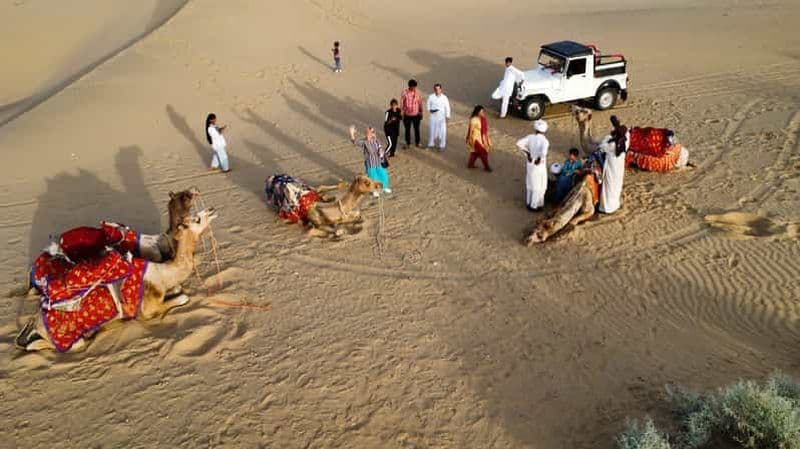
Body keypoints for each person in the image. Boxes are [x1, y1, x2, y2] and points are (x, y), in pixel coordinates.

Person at [516, 119, 549, 211]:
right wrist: (539, 159)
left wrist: (528, 153)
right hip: (539, 165)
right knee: (539, 186)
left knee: (530, 183)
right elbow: (544, 153)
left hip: (530, 163)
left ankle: (528, 202)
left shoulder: (530, 137)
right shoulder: (545, 141)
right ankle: (534, 206)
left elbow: (518, 143)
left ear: (536, 129)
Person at [350, 125, 391, 197]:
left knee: (383, 175)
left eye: (373, 132)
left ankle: (385, 187)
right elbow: (355, 142)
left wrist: (381, 152)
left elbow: (380, 148)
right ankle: (375, 191)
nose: (372, 133)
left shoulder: (376, 140)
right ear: (367, 133)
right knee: (373, 177)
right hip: (370, 163)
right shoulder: (364, 142)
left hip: (379, 162)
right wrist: (352, 134)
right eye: (371, 132)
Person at [599, 115, 628, 213]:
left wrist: (610, 137)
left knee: (608, 186)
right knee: (616, 185)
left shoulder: (611, 145)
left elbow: (602, 146)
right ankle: (614, 204)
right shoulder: (626, 141)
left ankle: (606, 207)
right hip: (619, 167)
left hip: (611, 167)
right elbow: (626, 132)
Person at [466, 105, 492, 172]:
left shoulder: (482, 119)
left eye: (483, 112)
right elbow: (470, 130)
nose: (483, 113)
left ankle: (470, 164)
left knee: (475, 152)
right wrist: (470, 139)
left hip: (481, 138)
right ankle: (486, 166)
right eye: (481, 112)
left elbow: (485, 130)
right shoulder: (473, 120)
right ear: (477, 112)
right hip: (475, 139)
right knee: (483, 152)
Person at [426, 83, 451, 151]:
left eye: (438, 89)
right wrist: (431, 110)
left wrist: (447, 116)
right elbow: (428, 106)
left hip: (441, 118)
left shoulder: (444, 97)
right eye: (435, 89)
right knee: (432, 131)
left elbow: (447, 107)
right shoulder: (431, 97)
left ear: (440, 89)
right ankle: (431, 144)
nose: (437, 90)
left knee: (443, 131)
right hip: (433, 117)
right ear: (434, 89)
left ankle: (442, 145)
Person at [401, 79, 424, 148]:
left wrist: (421, 112)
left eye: (415, 87)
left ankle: (418, 142)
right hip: (407, 115)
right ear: (409, 86)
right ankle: (407, 143)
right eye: (413, 87)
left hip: (416, 115)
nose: (414, 88)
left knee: (417, 129)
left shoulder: (418, 93)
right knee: (407, 129)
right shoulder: (404, 93)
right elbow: (402, 104)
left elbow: (420, 103)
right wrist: (401, 113)